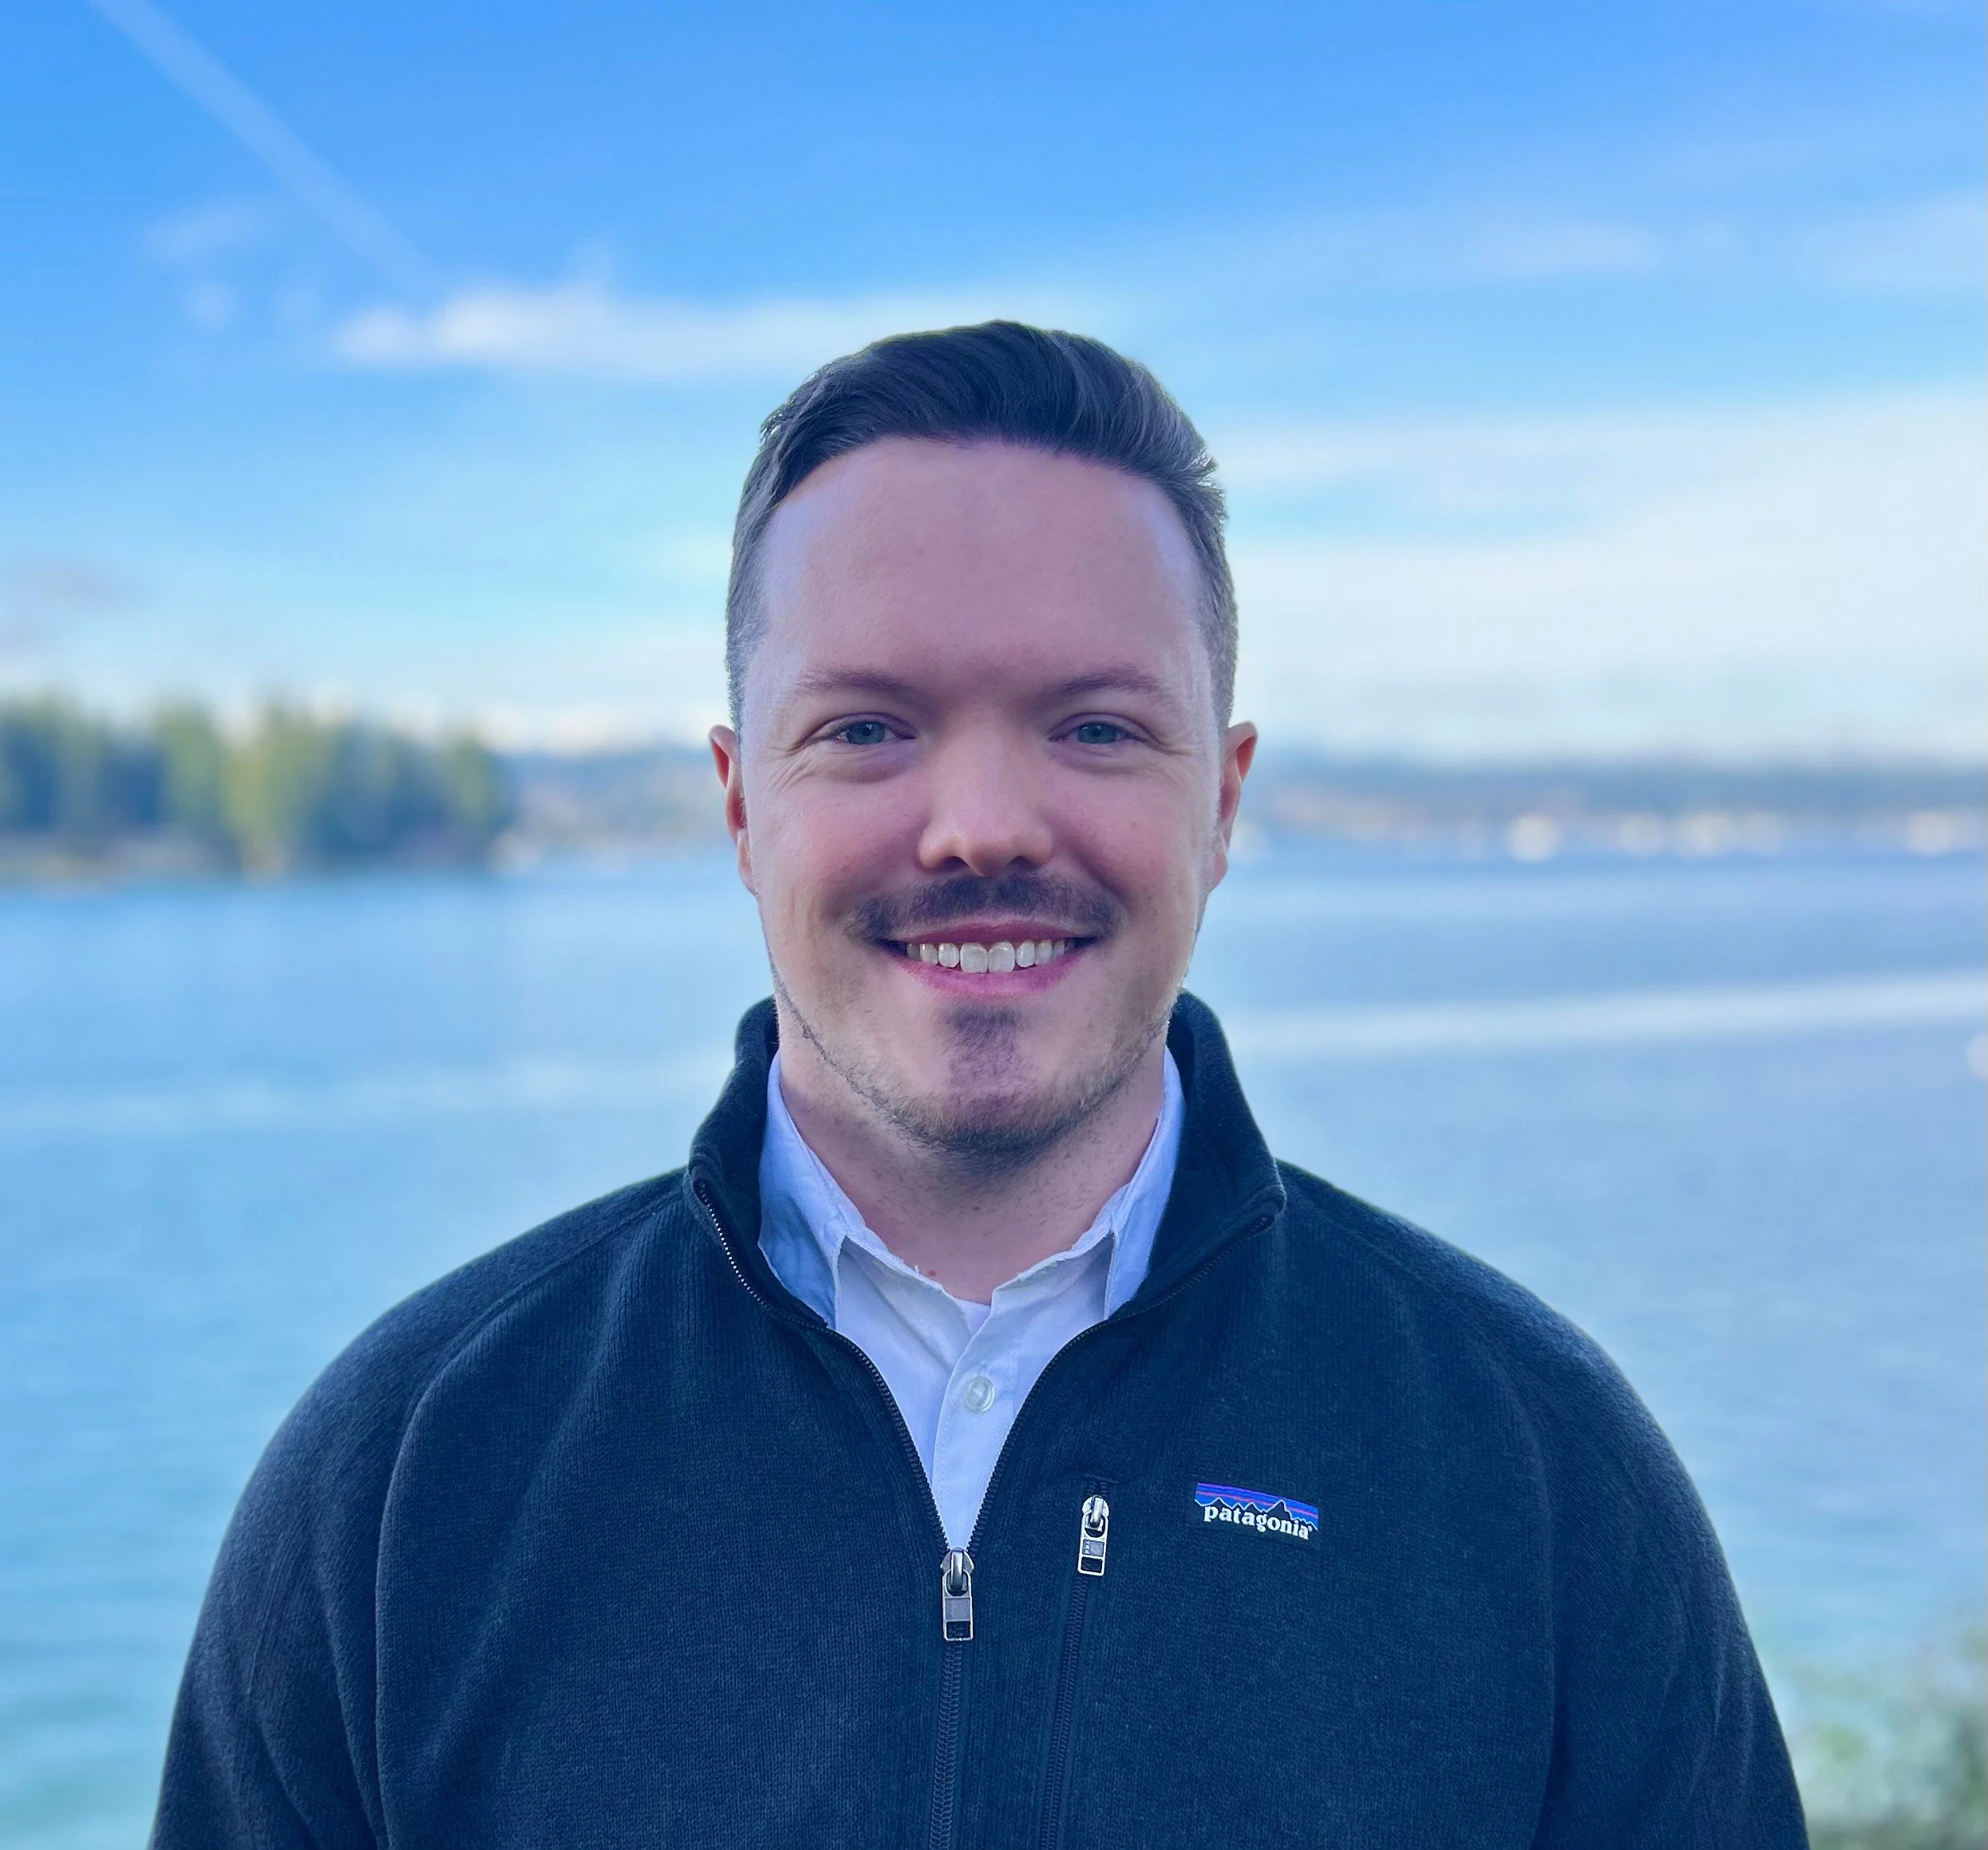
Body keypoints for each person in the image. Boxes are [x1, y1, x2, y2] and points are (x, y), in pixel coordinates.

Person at [152, 322, 1808, 1848]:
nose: (983, 824)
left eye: (1093, 728)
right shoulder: (410, 1476)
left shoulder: (1533, 1468)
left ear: (1223, 801)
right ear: (739, 803)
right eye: (869, 729)